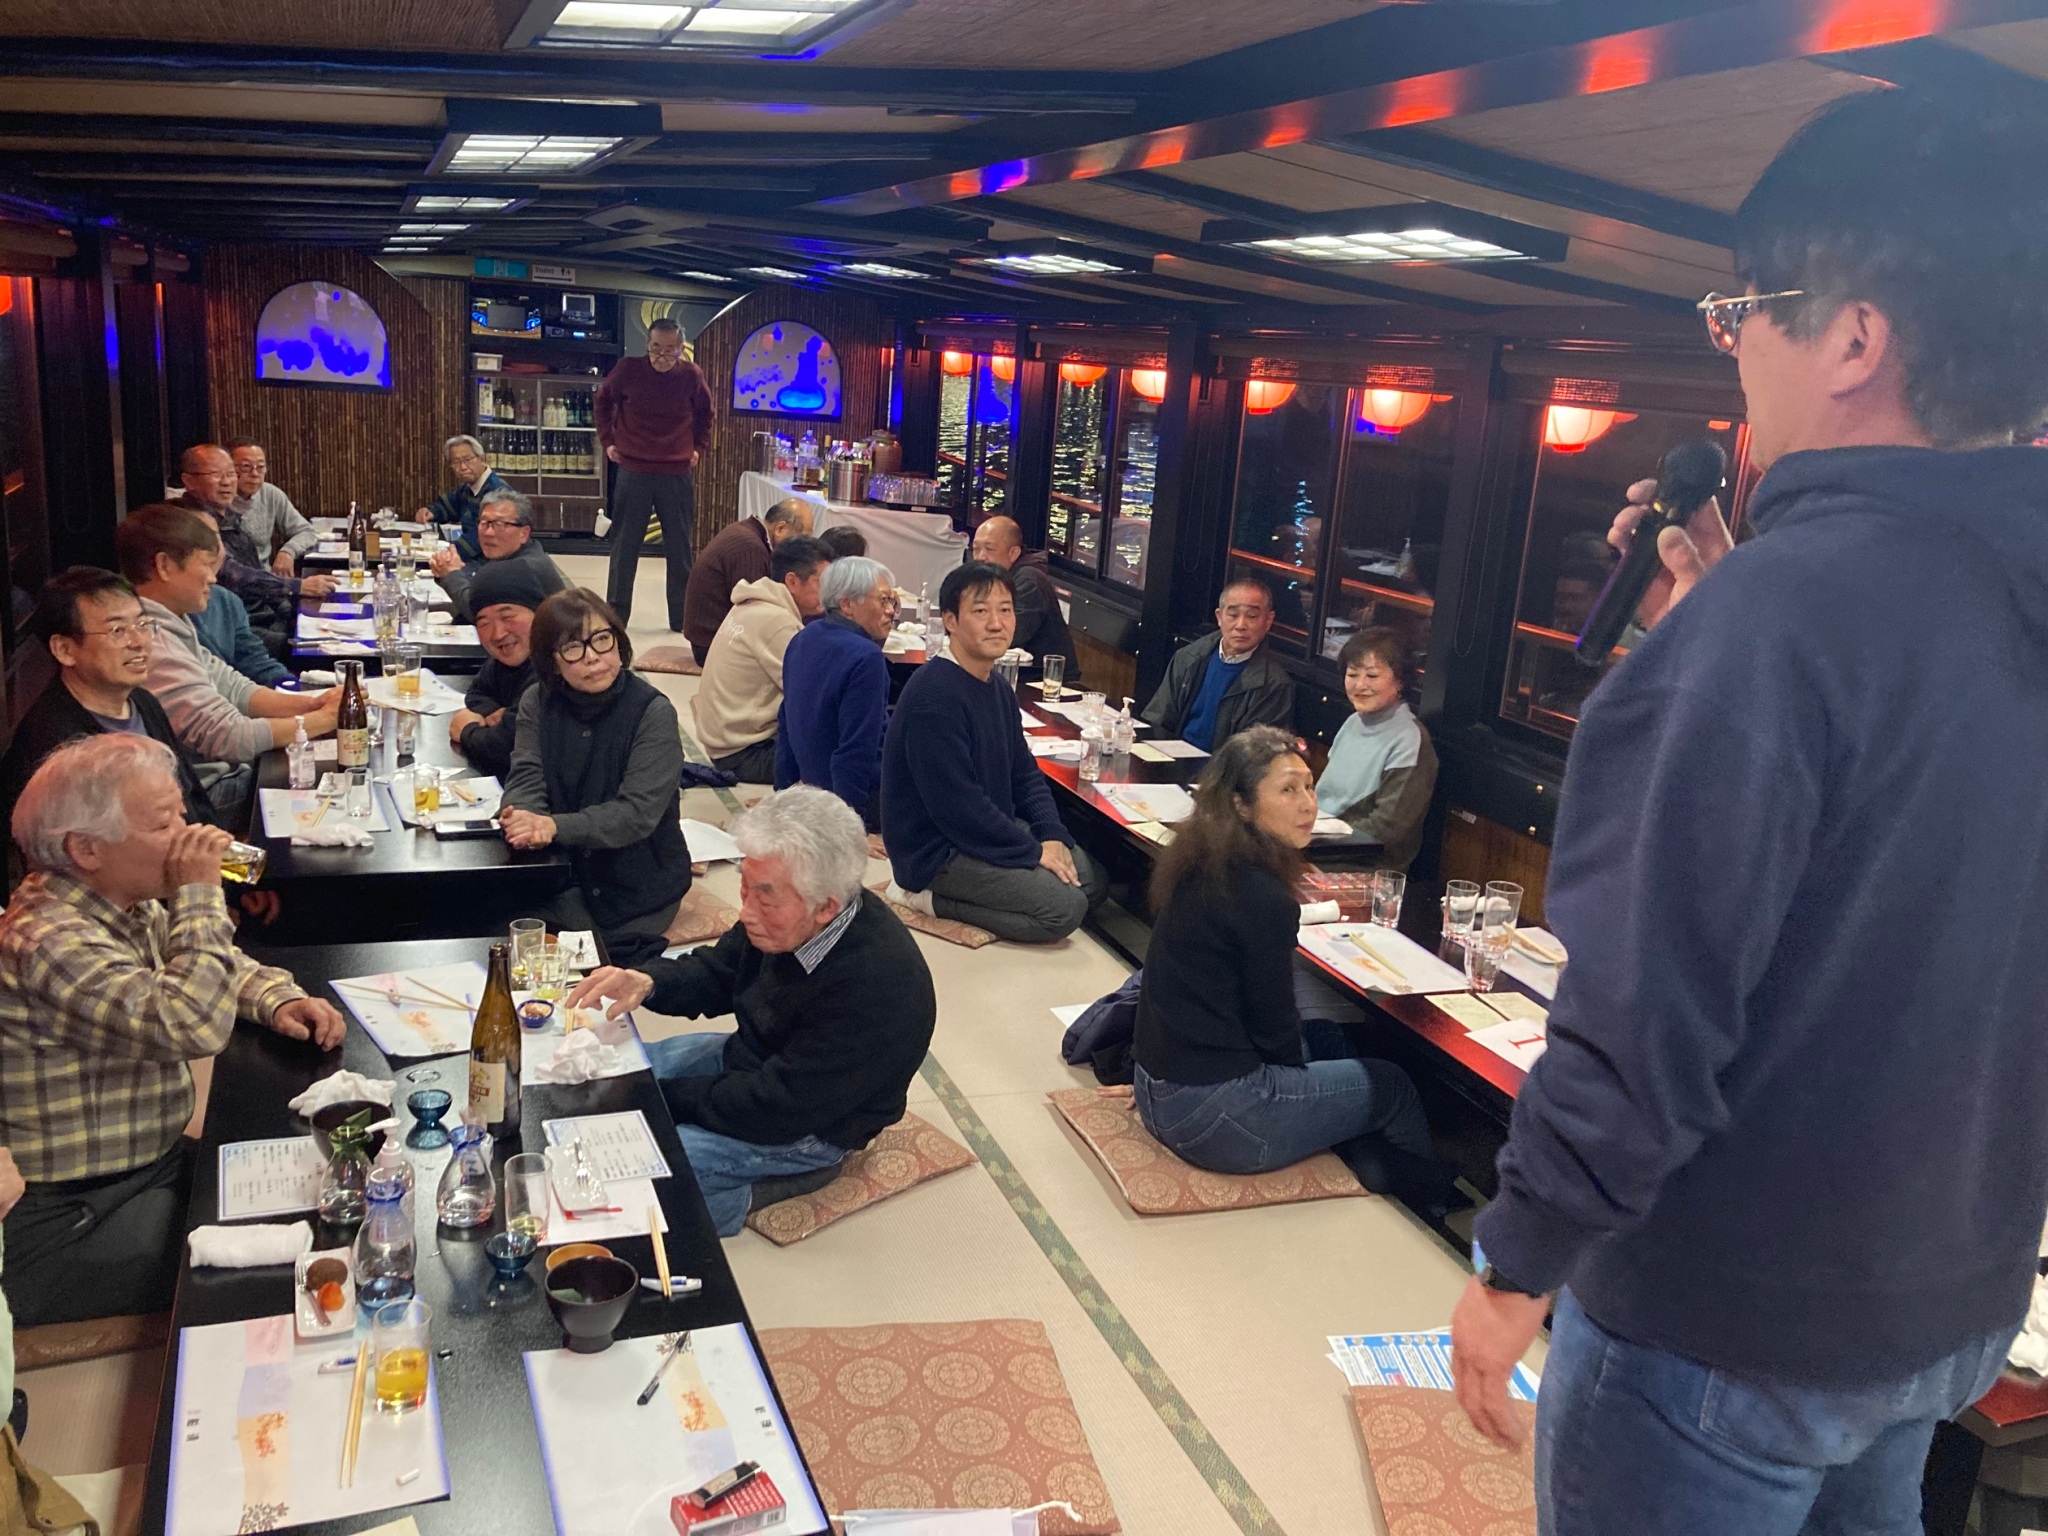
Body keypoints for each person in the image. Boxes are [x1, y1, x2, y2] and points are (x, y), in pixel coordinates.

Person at [1447, 92, 2048, 1535]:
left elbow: (1649, 1003)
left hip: (1730, 1313)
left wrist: (1519, 1259)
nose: (1731, 345)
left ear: (1853, 338)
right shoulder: (1939, 594)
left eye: (1744, 310)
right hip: (1948, 1296)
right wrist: (1737, 610)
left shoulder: (1775, 625)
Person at [0, 733, 345, 1325]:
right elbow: (191, 1022)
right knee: (280, 1261)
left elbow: (211, 964)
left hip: (145, 1164)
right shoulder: (48, 938)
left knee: (319, 1188)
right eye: (165, 825)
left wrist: (276, 998)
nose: (189, 839)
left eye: (182, 815)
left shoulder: (115, 900)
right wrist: (200, 892)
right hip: (72, 1215)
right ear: (85, 848)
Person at [566, 786, 935, 1237]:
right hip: (753, 1060)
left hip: (812, 1122)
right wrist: (649, 981)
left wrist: (662, 1100)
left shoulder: (878, 986)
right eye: (744, 887)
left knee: (639, 1173)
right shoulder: (784, 915)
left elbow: (779, 1105)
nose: (745, 912)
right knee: (601, 1080)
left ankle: (781, 1183)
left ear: (827, 907)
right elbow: (720, 972)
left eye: (764, 897)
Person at [1133, 726, 1445, 1194]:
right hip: (1215, 1119)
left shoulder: (1197, 860)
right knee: (1392, 1083)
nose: (1308, 805)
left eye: (1309, 786)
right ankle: (1428, 1194)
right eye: (1287, 790)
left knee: (1326, 1037)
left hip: (1157, 1091)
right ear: (1240, 804)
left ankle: (1363, 1154)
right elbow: (1275, 1035)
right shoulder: (1261, 895)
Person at [881, 561, 1105, 943]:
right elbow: (958, 809)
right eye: (981, 611)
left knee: (1091, 881)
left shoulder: (997, 686)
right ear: (950, 620)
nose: (996, 623)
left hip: (987, 829)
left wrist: (1051, 835)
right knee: (1064, 909)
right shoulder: (933, 696)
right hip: (939, 849)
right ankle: (923, 898)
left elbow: (1025, 774)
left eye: (1005, 610)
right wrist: (1032, 852)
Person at [501, 589, 689, 964]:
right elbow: (526, 773)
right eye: (573, 648)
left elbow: (636, 814)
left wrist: (553, 826)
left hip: (634, 890)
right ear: (553, 662)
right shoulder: (537, 700)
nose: (593, 657)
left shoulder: (652, 712)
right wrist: (522, 815)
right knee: (472, 918)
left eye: (602, 640)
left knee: (538, 953)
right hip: (560, 872)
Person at [0, 569, 218, 875]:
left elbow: (193, 799)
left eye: (142, 625)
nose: (139, 642)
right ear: (64, 649)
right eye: (117, 631)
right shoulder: (59, 747)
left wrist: (226, 872)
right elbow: (98, 870)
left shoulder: (142, 701)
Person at [119, 505, 338, 763]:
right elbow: (229, 737)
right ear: (164, 566)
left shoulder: (172, 622)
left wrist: (314, 703)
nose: (213, 578)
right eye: (205, 564)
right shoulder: (152, 642)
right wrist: (326, 718)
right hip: (203, 781)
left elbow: (234, 687)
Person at [595, 318, 714, 630]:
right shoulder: (627, 369)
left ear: (680, 349)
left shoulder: (691, 375)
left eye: (669, 350)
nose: (662, 356)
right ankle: (617, 616)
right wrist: (608, 441)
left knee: (680, 548)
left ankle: (681, 619)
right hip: (633, 468)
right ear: (647, 345)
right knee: (624, 547)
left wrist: (698, 447)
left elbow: (706, 413)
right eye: (656, 349)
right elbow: (602, 402)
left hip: (676, 470)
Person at [691, 536, 833, 784]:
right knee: (845, 754)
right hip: (745, 753)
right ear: (792, 581)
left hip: (724, 743)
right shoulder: (777, 622)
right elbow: (812, 694)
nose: (830, 591)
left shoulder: (754, 603)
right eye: (822, 582)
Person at [776, 556, 895, 827]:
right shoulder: (866, 657)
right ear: (847, 604)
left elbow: (786, 721)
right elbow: (856, 749)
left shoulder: (803, 636)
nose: (890, 611)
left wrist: (784, 794)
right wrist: (850, 826)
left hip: (814, 786)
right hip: (863, 798)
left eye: (892, 601)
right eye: (883, 600)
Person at [1317, 628, 1436, 871]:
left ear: (1400, 680)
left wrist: (1315, 843)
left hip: (1366, 863)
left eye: (1372, 676)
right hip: (1321, 841)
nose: (1360, 685)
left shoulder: (1409, 738)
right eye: (1352, 674)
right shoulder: (1353, 722)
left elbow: (1388, 829)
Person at [174, 444, 335, 618]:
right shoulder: (189, 521)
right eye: (215, 474)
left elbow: (304, 532)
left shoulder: (229, 515)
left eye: (230, 473)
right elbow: (233, 575)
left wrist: (288, 608)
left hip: (261, 607)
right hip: (235, 618)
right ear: (189, 481)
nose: (226, 482)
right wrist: (297, 586)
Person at [1140, 577, 1294, 751]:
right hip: (1171, 756)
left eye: (1252, 616)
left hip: (1222, 766)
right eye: (1233, 615)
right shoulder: (1189, 657)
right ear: (1219, 617)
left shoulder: (1274, 685)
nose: (1241, 625)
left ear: (1268, 621)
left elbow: (1251, 757)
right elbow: (1157, 719)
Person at [681, 497, 817, 666]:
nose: (803, 546)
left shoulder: (748, 532)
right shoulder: (750, 548)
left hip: (712, 637)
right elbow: (757, 613)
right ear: (780, 528)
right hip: (711, 645)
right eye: (803, 537)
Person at [448, 559, 549, 781]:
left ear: (538, 613)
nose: (497, 633)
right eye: (484, 623)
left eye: (507, 617)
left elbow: (510, 745)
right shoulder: (503, 662)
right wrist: (497, 713)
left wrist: (467, 731)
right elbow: (476, 692)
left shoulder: (553, 666)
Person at [426, 487, 567, 622]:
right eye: (484, 523)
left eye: (499, 524)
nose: (488, 532)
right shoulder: (512, 554)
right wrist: (446, 571)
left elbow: (478, 613)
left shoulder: (522, 567)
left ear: (524, 533)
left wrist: (450, 573)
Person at [971, 515, 1077, 669]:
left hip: (1043, 676)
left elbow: (1007, 636)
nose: (980, 557)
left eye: (989, 549)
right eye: (976, 549)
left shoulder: (1029, 580)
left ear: (1013, 553)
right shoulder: (991, 578)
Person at [225, 438, 318, 576]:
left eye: (260, 467)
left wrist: (288, 551)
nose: (255, 474)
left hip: (265, 578)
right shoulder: (216, 500)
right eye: (246, 466)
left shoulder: (270, 494)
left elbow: (307, 531)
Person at [417, 435, 510, 563]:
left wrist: (449, 553)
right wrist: (431, 512)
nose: (463, 467)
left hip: (490, 562)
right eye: (456, 462)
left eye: (467, 459)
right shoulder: (468, 488)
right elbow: (451, 505)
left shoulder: (497, 492)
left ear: (482, 459)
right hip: (473, 559)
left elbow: (482, 536)